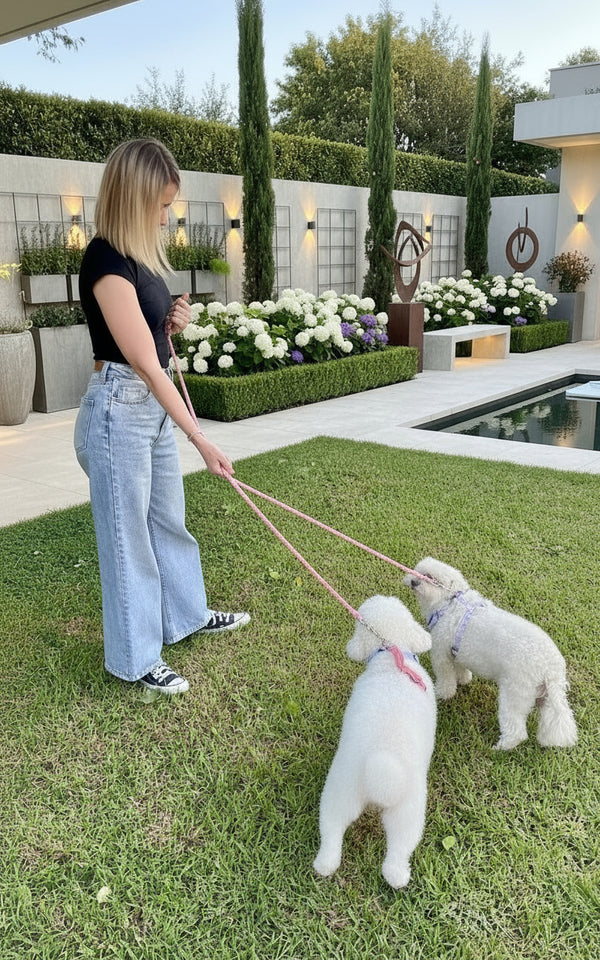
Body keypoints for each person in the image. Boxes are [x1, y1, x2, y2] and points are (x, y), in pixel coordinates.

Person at [74, 138, 249, 696]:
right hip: (117, 410)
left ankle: (187, 617)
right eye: (160, 203)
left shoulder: (138, 257)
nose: (166, 213)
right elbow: (145, 366)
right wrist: (201, 438)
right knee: (128, 539)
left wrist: (173, 320)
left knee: (167, 520)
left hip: (144, 407)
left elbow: (150, 340)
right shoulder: (104, 259)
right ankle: (136, 657)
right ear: (134, 197)